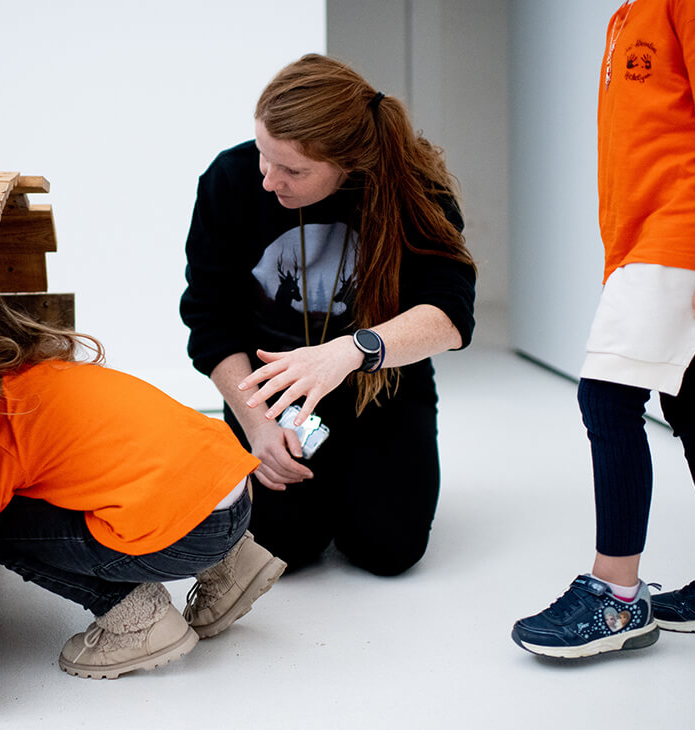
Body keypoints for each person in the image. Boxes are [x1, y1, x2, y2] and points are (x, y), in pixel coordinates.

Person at [512, 0, 695, 659]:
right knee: (694, 406)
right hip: (655, 244)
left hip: (688, 242)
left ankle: (615, 598)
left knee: (607, 397)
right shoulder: (630, 15)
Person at [179, 54, 477, 578]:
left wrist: (350, 352)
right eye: (263, 157)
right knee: (281, 549)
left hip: (381, 387)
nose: (270, 181)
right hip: (268, 396)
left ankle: (356, 476)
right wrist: (257, 425)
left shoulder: (415, 189)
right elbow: (210, 319)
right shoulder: (229, 180)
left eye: (293, 170)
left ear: (348, 163)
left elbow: (450, 315)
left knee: (389, 552)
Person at [0, 294, 287, 679]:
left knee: (0, 532)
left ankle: (138, 620)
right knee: (120, 475)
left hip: (192, 535)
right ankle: (232, 563)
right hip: (236, 496)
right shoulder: (54, 373)